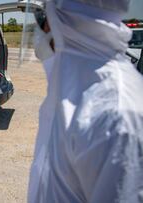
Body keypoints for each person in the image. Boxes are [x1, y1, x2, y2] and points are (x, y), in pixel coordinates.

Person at [28, 0, 143, 202]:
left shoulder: (116, 111)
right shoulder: (71, 86)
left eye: (43, 16)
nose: (40, 27)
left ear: (65, 16)